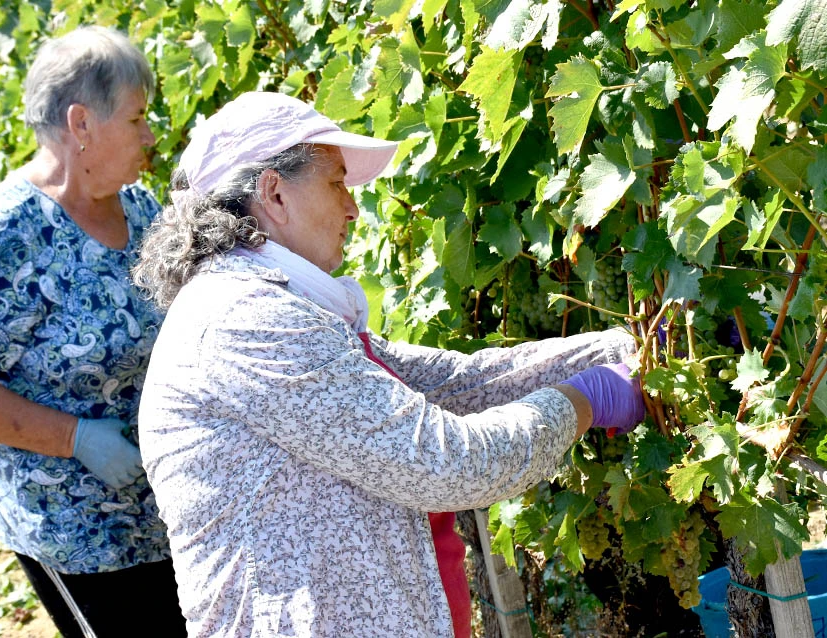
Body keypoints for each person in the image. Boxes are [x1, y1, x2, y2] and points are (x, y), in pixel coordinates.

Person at [132, 91, 645, 638]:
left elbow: (455, 384)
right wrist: (584, 399)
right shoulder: (248, 323)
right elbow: (448, 465)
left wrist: (625, 350)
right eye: (336, 184)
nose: (352, 207)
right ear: (274, 194)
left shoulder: (277, 307)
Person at [0, 26, 186, 638]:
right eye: (138, 117)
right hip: (76, 527)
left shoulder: (139, 210)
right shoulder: (10, 234)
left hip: (164, 506)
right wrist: (76, 438)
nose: (150, 135)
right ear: (82, 124)